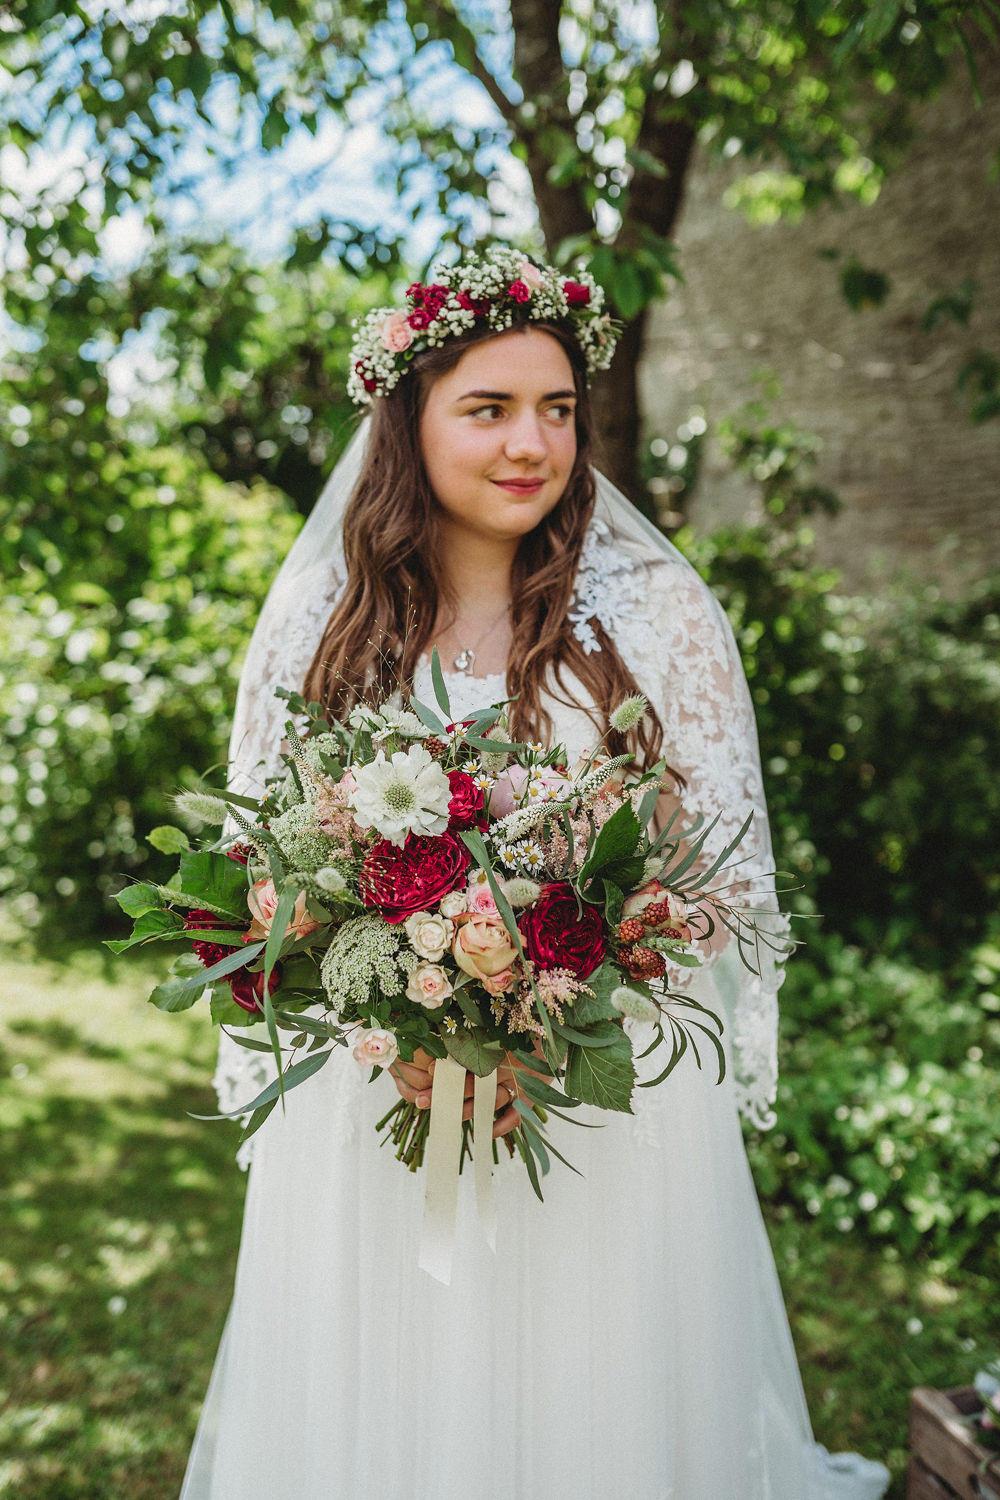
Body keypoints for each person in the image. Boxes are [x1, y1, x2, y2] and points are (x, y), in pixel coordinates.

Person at [180, 246, 890, 1500]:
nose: (532, 444)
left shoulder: (659, 618)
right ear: (409, 423)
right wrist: (395, 1033)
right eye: (489, 409)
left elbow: (718, 884)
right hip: (374, 1102)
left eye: (558, 410)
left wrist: (542, 1014)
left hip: (601, 1108)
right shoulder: (321, 624)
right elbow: (266, 887)